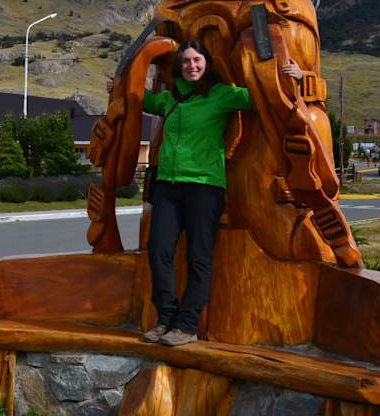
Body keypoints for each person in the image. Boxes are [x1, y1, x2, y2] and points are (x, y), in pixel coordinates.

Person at [108, 39, 301, 346]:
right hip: (168, 187)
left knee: (199, 257)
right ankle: (166, 318)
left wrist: (295, 78)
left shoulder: (221, 95)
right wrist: (117, 86)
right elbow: (138, 98)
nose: (192, 66)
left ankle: (187, 325)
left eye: (197, 60)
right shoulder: (168, 99)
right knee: (159, 251)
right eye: (186, 61)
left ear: (206, 64)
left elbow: (265, 99)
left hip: (204, 187)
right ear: (179, 67)